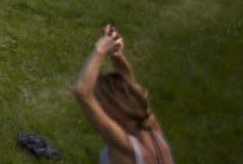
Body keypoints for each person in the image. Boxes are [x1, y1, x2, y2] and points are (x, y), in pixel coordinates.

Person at [74, 26, 174, 164]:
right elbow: (131, 86)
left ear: (115, 106)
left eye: (100, 100)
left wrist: (100, 50)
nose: (98, 105)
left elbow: (82, 92)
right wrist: (117, 54)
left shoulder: (125, 146)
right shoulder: (151, 126)